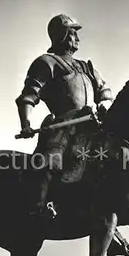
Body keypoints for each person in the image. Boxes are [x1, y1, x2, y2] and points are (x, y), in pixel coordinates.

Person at [15, 14, 114, 222]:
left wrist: (105, 104)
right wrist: (26, 124)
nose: (77, 38)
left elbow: (105, 91)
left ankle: (109, 220)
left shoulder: (87, 67)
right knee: (51, 161)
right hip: (62, 128)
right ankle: (38, 208)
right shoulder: (46, 63)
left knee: (114, 163)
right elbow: (28, 97)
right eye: (72, 33)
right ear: (60, 36)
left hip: (92, 127)